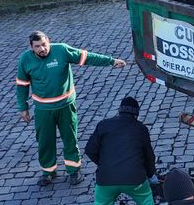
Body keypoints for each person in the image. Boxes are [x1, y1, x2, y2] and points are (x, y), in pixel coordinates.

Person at [15, 31, 126, 186]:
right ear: (31, 47)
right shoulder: (25, 59)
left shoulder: (61, 50)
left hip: (66, 106)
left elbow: (86, 57)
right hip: (43, 110)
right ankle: (48, 172)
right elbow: (22, 85)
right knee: (44, 141)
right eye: (37, 47)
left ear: (49, 42)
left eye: (44, 45)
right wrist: (23, 107)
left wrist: (111, 61)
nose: (42, 49)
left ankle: (74, 170)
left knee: (70, 138)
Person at [84, 96, 158, 205]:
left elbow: (90, 149)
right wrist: (150, 174)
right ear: (136, 114)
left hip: (106, 180)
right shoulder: (141, 129)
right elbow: (148, 156)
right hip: (135, 180)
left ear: (119, 110)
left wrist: (104, 165)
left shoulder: (103, 125)